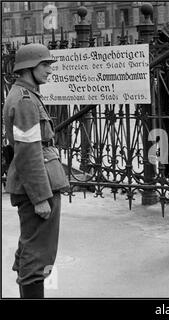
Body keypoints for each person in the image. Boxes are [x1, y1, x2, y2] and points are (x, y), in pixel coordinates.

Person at [3, 43, 70, 298]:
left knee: (34, 250)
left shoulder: (25, 95)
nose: (50, 70)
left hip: (38, 182)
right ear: (28, 67)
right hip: (38, 188)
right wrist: (41, 197)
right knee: (38, 256)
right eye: (45, 64)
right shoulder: (25, 101)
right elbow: (28, 153)